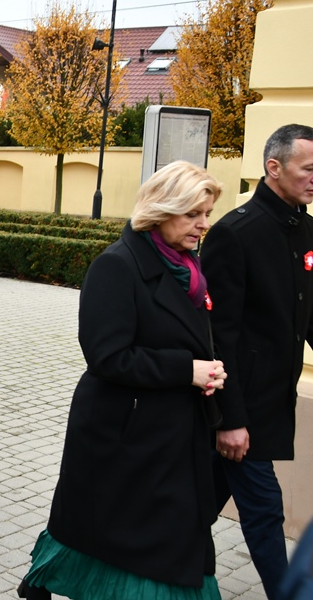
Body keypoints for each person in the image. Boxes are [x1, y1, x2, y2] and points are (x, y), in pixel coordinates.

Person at [18, 160, 227, 600]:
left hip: (173, 432)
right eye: (193, 213)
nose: (204, 224)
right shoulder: (116, 265)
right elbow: (106, 356)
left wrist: (207, 371)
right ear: (162, 210)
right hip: (125, 433)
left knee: (158, 537)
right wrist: (186, 370)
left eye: (207, 214)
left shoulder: (188, 267)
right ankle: (48, 580)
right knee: (117, 535)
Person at [202, 123, 313, 600]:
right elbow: (216, 336)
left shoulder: (304, 227)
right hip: (239, 407)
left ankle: (94, 554)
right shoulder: (235, 233)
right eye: (308, 168)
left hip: (272, 402)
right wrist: (229, 419)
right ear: (274, 167)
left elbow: (306, 312)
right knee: (265, 510)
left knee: (190, 509)